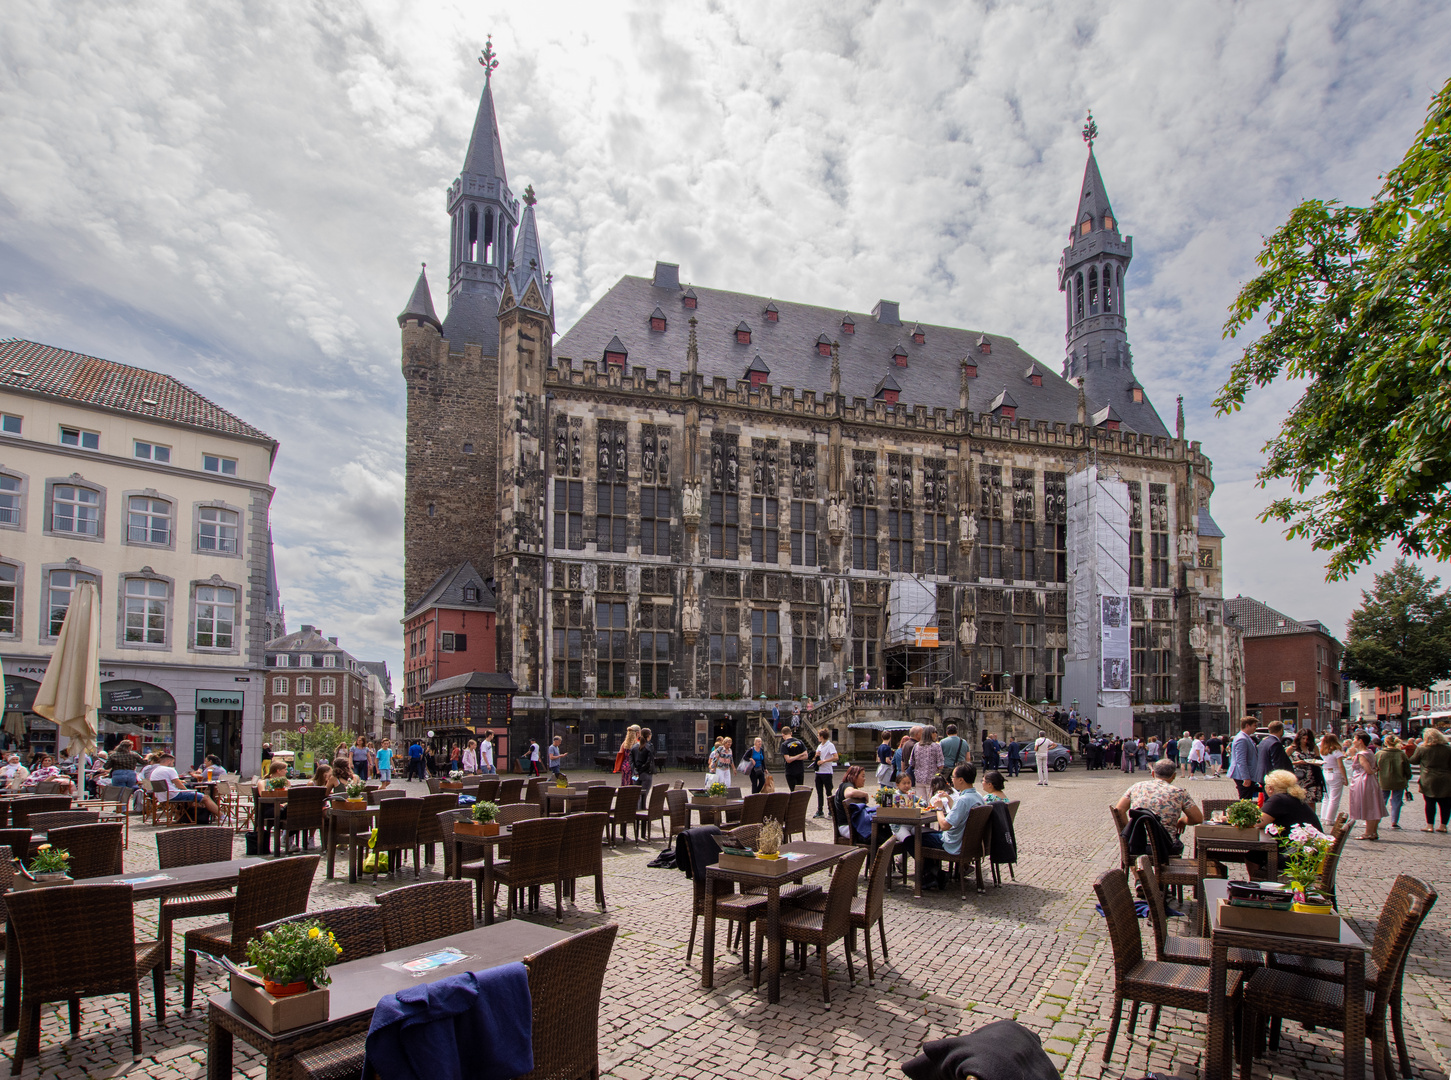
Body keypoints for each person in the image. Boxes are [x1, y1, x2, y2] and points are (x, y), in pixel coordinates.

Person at [919, 763, 986, 890]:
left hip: (954, 842)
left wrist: (939, 809)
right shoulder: (978, 796)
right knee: (925, 833)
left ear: (961, 780)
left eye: (953, 777)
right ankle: (932, 873)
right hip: (969, 842)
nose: (951, 780)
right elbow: (958, 813)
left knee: (915, 838)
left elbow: (944, 825)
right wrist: (949, 799)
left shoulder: (963, 800)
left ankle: (934, 875)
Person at [1116, 760, 1202, 843]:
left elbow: (1119, 810)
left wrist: (1130, 832)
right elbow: (1197, 818)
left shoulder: (1136, 787)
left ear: (1153, 773)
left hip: (1137, 843)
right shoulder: (1179, 792)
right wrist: (1182, 820)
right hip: (1165, 845)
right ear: (1174, 776)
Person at [1406, 726, 1451, 832]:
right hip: (1446, 779)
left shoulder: (1423, 748)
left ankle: (1430, 826)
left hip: (1429, 778)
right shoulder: (1448, 749)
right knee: (1445, 804)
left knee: (1430, 802)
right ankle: (1443, 826)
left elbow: (1413, 760)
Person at [151, 751, 220, 817]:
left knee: (194, 796)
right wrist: (188, 791)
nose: (172, 764)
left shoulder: (155, 771)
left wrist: (180, 783)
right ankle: (221, 816)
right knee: (206, 797)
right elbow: (179, 786)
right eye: (172, 762)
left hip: (161, 796)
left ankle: (184, 816)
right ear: (168, 761)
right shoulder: (170, 770)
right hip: (173, 795)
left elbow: (168, 782)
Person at [1346, 731, 1384, 840]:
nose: (1353, 741)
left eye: (1355, 739)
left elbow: (1368, 770)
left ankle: (1368, 833)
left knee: (1369, 806)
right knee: (1375, 805)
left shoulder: (1362, 754)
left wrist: (1373, 770)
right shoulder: (1370, 752)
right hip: (1371, 781)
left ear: (1360, 741)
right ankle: (1373, 832)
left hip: (1364, 781)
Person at [1375, 734, 1411, 829]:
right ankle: (1394, 821)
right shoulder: (1401, 754)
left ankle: (1377, 820)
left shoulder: (1380, 754)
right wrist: (1408, 777)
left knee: (1381, 801)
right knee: (1396, 802)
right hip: (1399, 781)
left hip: (1383, 781)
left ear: (1385, 743)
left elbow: (1374, 767)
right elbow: (1407, 769)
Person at [831, 765, 870, 838]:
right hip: (847, 827)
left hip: (853, 826)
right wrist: (865, 794)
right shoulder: (847, 785)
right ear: (854, 776)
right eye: (863, 776)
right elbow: (849, 793)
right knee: (876, 834)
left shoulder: (847, 786)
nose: (864, 779)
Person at [1255, 721, 1294, 791]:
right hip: (1272, 779)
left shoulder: (1263, 742)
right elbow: (1277, 764)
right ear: (1281, 730)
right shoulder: (1275, 744)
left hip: (1262, 776)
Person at [1227, 716, 1260, 800]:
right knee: (1245, 799)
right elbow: (1241, 760)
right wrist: (1245, 777)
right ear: (1247, 725)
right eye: (1254, 725)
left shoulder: (1245, 737)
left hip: (1247, 774)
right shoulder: (1242, 739)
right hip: (1243, 775)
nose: (1255, 728)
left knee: (1247, 798)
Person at [1319, 732, 1347, 822]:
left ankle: (1323, 817)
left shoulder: (1322, 750)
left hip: (1324, 772)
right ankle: (1330, 819)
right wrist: (1345, 778)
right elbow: (1341, 766)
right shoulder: (1336, 751)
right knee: (1334, 798)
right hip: (1335, 773)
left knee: (1326, 797)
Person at [913, 728, 944, 801]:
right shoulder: (936, 746)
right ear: (931, 734)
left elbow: (911, 762)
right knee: (932, 802)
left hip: (918, 778)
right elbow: (941, 765)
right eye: (934, 732)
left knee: (921, 802)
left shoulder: (916, 745)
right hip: (931, 778)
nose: (936, 734)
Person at [814, 728, 838, 818]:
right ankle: (820, 810)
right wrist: (816, 756)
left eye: (818, 735)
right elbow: (815, 757)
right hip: (819, 772)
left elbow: (835, 757)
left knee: (828, 792)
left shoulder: (830, 745)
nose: (817, 737)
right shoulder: (820, 746)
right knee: (819, 792)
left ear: (822, 736)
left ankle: (831, 810)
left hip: (827, 772)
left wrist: (824, 761)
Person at [631, 727, 656, 807]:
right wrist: (641, 770)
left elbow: (631, 762)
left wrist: (636, 771)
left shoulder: (634, 747)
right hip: (646, 774)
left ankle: (635, 812)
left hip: (636, 775)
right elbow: (649, 762)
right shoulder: (649, 747)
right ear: (648, 736)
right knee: (643, 795)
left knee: (636, 796)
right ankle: (641, 813)